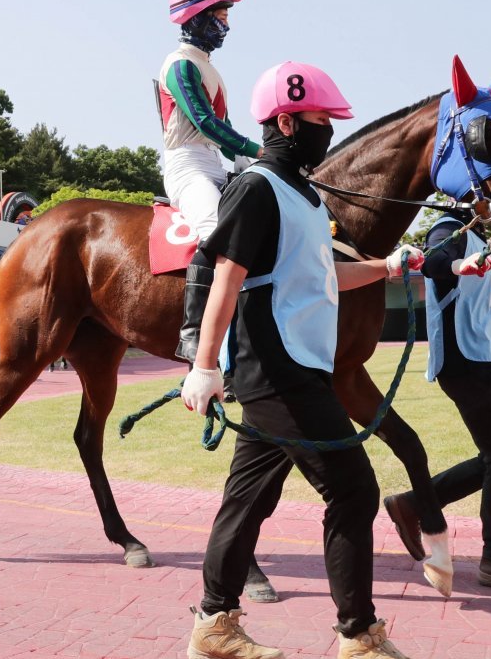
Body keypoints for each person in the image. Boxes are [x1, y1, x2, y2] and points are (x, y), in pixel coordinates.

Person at [181, 62, 417, 659]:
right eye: (320, 121)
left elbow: (321, 274)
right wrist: (204, 364)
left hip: (297, 368)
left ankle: (213, 627)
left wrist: (388, 268)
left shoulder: (306, 198)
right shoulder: (256, 187)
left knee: (249, 498)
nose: (328, 132)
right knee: (355, 490)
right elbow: (226, 280)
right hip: (276, 371)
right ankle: (359, 635)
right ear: (285, 120)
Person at [382, 213, 491, 600]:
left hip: (485, 360)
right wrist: (460, 264)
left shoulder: (482, 242)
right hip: (467, 363)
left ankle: (413, 504)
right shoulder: (452, 229)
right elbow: (432, 261)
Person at [158, 0, 264, 363]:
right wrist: (259, 148)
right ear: (199, 16)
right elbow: (205, 123)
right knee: (215, 233)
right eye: (220, 13)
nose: (226, 23)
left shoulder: (205, 66)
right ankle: (192, 333)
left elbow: (223, 132)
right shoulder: (179, 65)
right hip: (187, 165)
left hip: (212, 162)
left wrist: (247, 159)